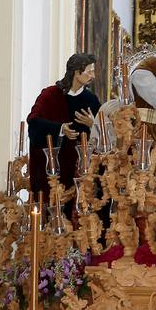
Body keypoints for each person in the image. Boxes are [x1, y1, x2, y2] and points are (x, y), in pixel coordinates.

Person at [27, 53, 100, 205]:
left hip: (81, 171)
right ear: (77, 72)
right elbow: (33, 122)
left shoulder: (91, 100)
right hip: (55, 168)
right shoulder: (51, 95)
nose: (93, 75)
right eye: (89, 71)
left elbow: (103, 138)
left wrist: (93, 124)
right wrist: (60, 129)